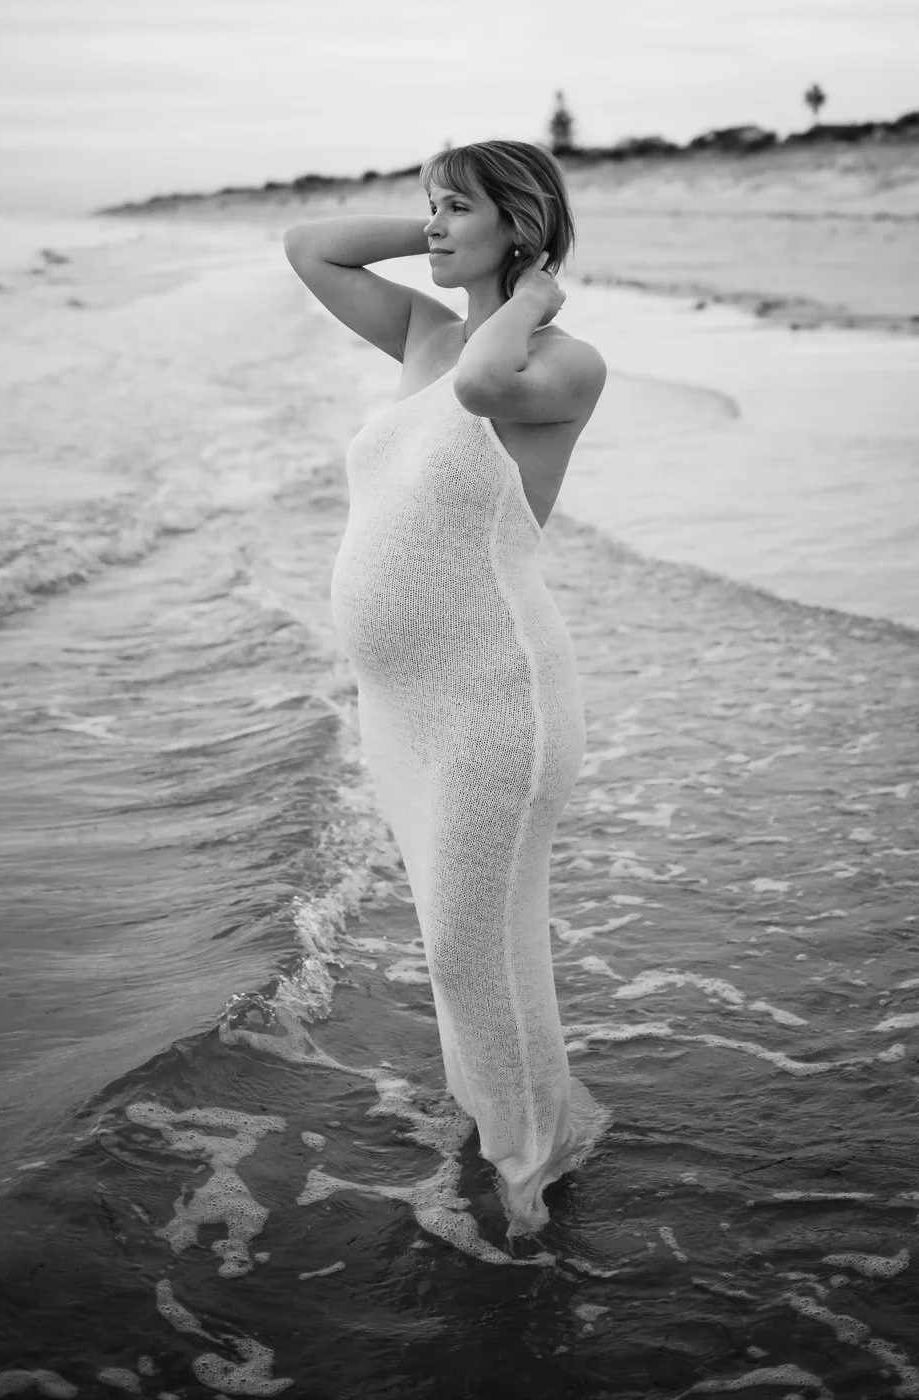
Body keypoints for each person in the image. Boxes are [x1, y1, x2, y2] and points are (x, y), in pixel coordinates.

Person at [284, 139, 607, 1237]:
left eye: (452, 206)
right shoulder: (420, 331)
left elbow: (479, 385)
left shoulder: (561, 360)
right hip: (406, 710)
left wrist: (530, 291)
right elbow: (309, 246)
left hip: (493, 700)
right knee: (461, 940)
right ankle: (525, 1123)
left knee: (470, 945)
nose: (430, 224)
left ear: (519, 224)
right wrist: (431, 219)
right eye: (428, 206)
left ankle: (526, 1180)